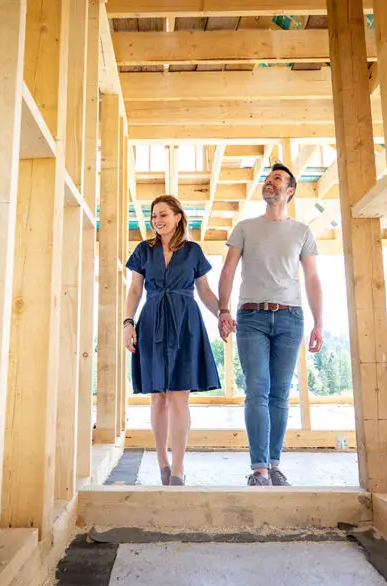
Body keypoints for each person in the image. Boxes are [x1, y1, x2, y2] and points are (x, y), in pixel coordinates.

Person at [217, 163, 324, 486]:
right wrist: (223, 310)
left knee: (279, 393)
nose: (269, 183)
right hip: (251, 318)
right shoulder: (246, 227)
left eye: (276, 179)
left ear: (289, 190)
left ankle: (274, 465)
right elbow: (228, 270)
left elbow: (313, 278)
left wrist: (319, 323)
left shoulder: (302, 231)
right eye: (267, 179)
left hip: (291, 317)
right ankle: (259, 469)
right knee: (257, 389)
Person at [124, 195, 223, 486]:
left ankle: (178, 469)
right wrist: (128, 323)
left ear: (178, 217)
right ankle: (162, 463)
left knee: (179, 396)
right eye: (154, 215)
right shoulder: (144, 250)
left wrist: (223, 314)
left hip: (185, 322)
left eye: (164, 214)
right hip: (152, 319)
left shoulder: (193, 251)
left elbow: (204, 291)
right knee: (159, 397)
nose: (158, 220)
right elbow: (134, 290)